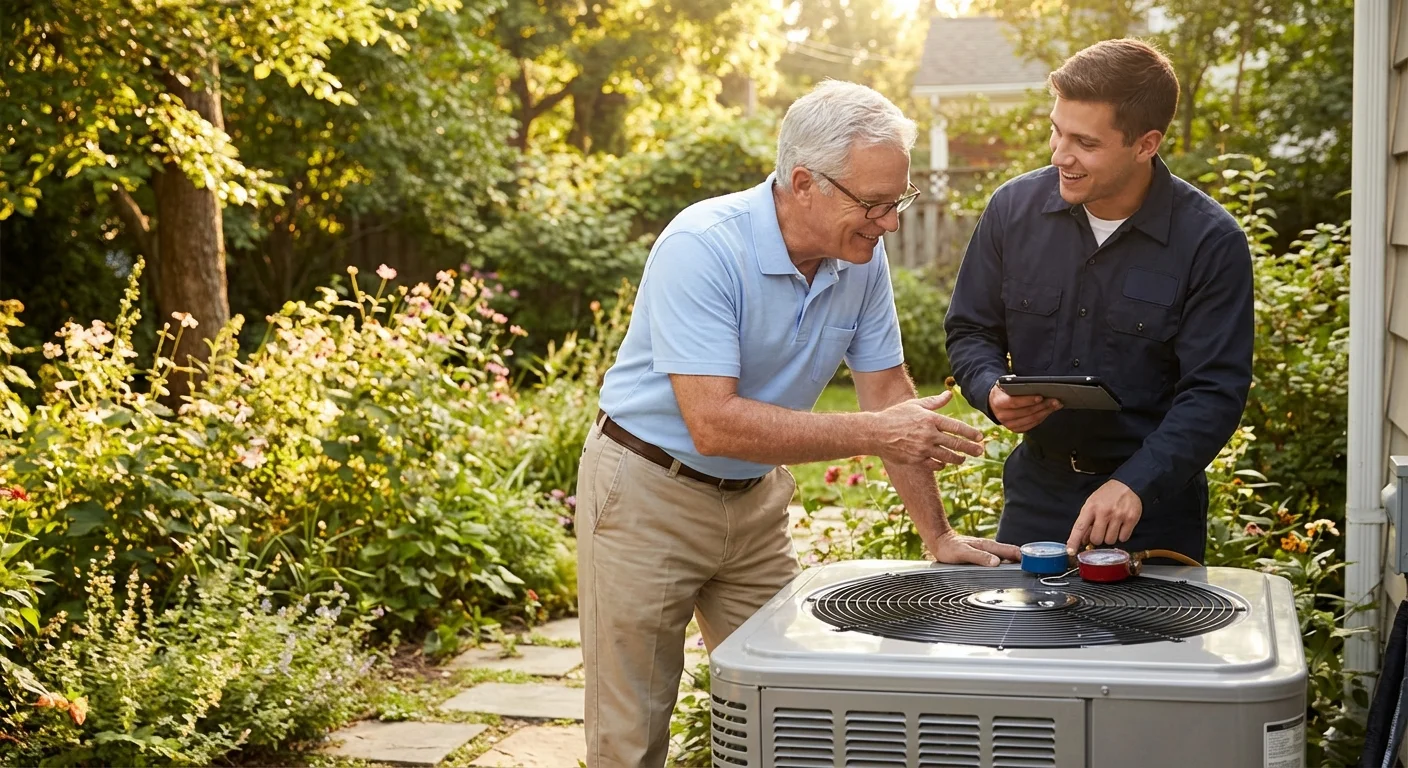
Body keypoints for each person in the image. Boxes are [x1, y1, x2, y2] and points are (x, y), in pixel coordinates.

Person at [575, 80, 1021, 767]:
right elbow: (713, 424)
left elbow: (887, 399)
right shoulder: (703, 246)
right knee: (631, 735)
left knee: (787, 713)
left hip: (753, 506)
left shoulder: (859, 263)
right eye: (874, 204)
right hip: (646, 497)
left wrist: (939, 536)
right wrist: (875, 434)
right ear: (804, 182)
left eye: (896, 203)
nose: (889, 223)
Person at [944, 38, 1254, 562]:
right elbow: (971, 329)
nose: (1060, 154)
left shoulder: (1211, 241)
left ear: (1145, 143)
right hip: (1035, 498)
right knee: (1027, 645)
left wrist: (1135, 482)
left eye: (1084, 142)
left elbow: (1215, 390)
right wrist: (990, 391)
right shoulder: (1011, 211)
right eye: (1056, 131)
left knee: (1148, 647)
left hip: (1153, 507)